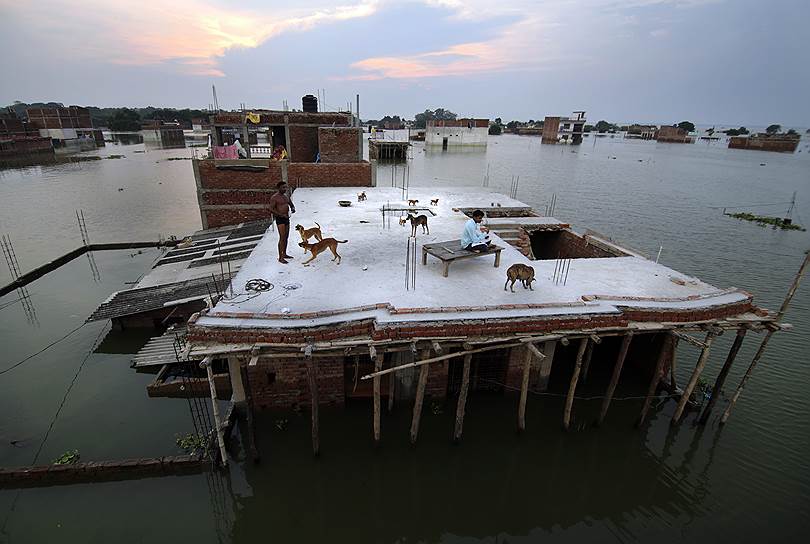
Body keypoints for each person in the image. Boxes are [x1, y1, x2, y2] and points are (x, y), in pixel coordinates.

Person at [269, 181, 296, 264]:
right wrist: (280, 215)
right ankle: (280, 257)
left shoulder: (285, 196)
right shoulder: (274, 197)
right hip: (280, 219)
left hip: (286, 218)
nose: (285, 189)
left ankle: (284, 254)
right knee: (282, 237)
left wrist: (293, 208)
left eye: (286, 187)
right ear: (279, 188)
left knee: (286, 237)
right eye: (283, 187)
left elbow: (290, 204)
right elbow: (271, 209)